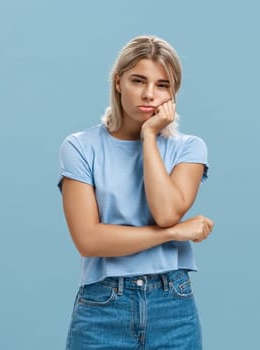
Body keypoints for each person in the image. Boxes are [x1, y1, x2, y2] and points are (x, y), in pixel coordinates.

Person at [57, 34, 214, 349]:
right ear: (118, 82)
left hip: (172, 305)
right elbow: (89, 241)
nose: (149, 94)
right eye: (138, 80)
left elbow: (166, 212)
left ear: (173, 93)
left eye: (162, 85)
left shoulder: (189, 149)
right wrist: (172, 234)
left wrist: (149, 136)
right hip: (103, 305)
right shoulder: (80, 147)